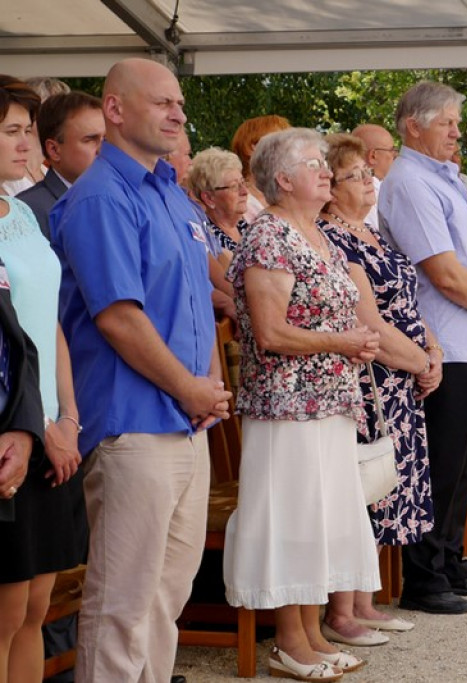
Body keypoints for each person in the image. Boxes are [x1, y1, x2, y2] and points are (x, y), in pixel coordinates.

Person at [49, 58, 232, 682]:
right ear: (116, 109)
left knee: (165, 599)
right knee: (123, 604)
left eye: (179, 102)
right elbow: (119, 317)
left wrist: (209, 388)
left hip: (185, 423)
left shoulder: (168, 195)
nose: (178, 113)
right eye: (163, 102)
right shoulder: (100, 196)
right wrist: (191, 388)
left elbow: (195, 305)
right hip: (134, 425)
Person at [222, 128, 380, 679]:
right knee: (292, 517)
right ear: (282, 179)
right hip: (286, 405)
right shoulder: (269, 235)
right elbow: (270, 332)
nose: (326, 171)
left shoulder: (314, 232)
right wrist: (343, 342)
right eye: (313, 164)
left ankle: (313, 633)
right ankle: (290, 641)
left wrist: (355, 341)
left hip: (329, 400)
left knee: (322, 518)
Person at [378, 81, 467, 615]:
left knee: (460, 463)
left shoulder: (444, 178)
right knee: (439, 459)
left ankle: (451, 559)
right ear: (413, 125)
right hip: (442, 343)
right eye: (447, 123)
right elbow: (445, 274)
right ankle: (425, 577)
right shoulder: (410, 181)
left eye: (457, 122)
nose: (458, 132)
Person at [318, 133, 439, 645]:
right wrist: (418, 362)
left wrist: (431, 352)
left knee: (385, 490)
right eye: (355, 176)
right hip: (373, 381)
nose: (370, 181)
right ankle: (341, 611)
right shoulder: (333, 238)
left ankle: (364, 602)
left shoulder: (370, 232)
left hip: (404, 378)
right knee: (362, 491)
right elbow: (369, 322)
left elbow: (408, 303)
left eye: (369, 174)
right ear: (329, 187)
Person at [0, 74, 81, 683]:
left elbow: (50, 323)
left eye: (29, 131)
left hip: (52, 426)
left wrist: (68, 418)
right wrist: (38, 424)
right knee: (3, 616)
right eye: (11, 131)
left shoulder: (22, 217)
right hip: (11, 430)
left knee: (34, 608)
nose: (26, 144)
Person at [17, 91, 104, 239]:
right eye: (90, 139)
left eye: (106, 140)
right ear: (54, 150)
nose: (102, 149)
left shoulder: (118, 198)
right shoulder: (27, 211)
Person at [187, 147, 249, 263]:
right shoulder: (209, 240)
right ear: (209, 198)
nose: (245, 191)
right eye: (234, 186)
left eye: (242, 182)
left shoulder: (244, 226)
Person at [230, 114, 290, 222]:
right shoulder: (237, 199)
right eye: (280, 142)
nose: (289, 149)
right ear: (253, 147)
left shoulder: (289, 194)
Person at [351, 122, 399, 231]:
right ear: (373, 156)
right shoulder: (371, 189)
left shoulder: (345, 187)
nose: (395, 155)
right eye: (392, 150)